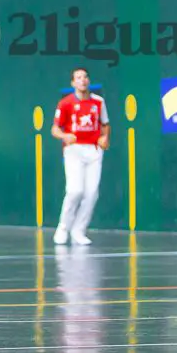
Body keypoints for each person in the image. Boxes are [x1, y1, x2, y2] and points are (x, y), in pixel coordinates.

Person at [51, 67, 110, 246]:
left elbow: (105, 124)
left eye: (85, 77)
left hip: (93, 151)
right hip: (74, 150)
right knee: (75, 190)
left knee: (92, 193)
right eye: (78, 77)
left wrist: (105, 137)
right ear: (72, 83)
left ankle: (79, 230)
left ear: (88, 81)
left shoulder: (99, 102)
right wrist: (64, 136)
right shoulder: (65, 103)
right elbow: (55, 129)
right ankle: (63, 228)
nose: (82, 80)